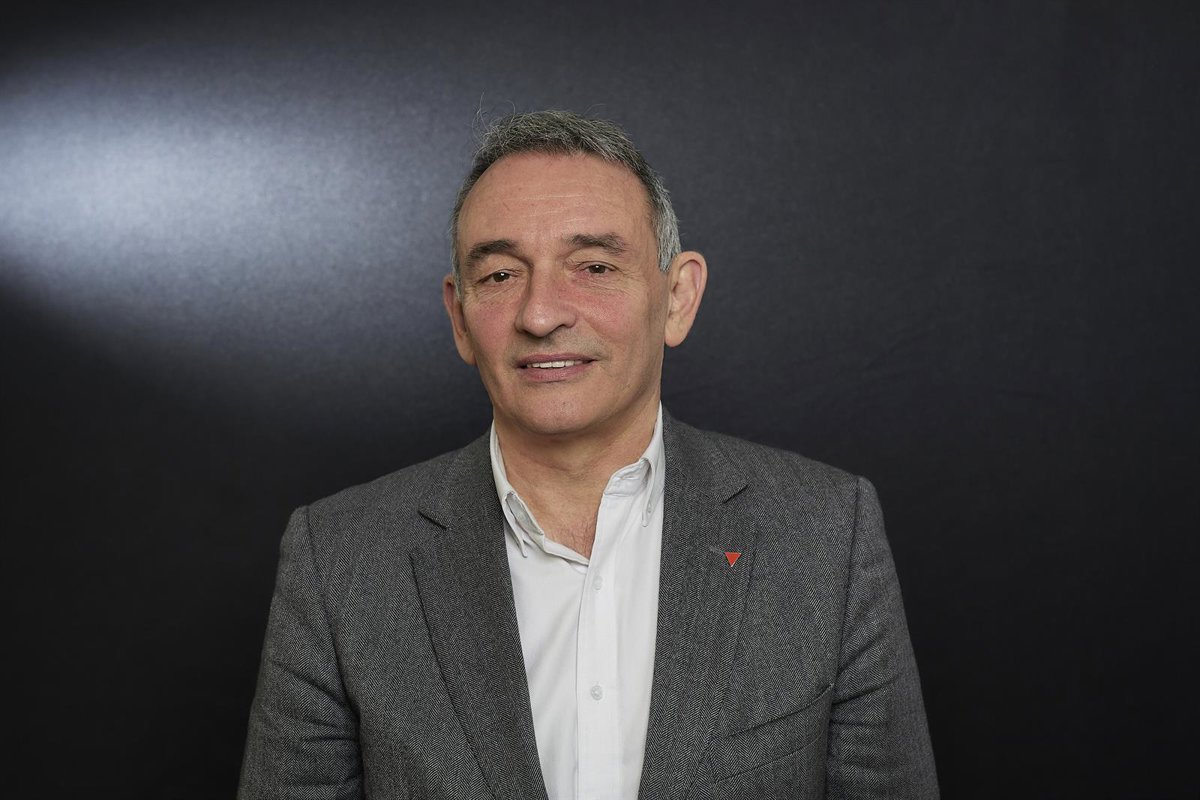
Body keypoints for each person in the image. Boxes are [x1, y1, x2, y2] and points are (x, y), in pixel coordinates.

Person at [238, 110, 938, 799]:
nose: (541, 314)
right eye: (501, 275)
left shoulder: (826, 533)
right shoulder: (340, 560)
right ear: (459, 317)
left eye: (595, 266)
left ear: (678, 298)